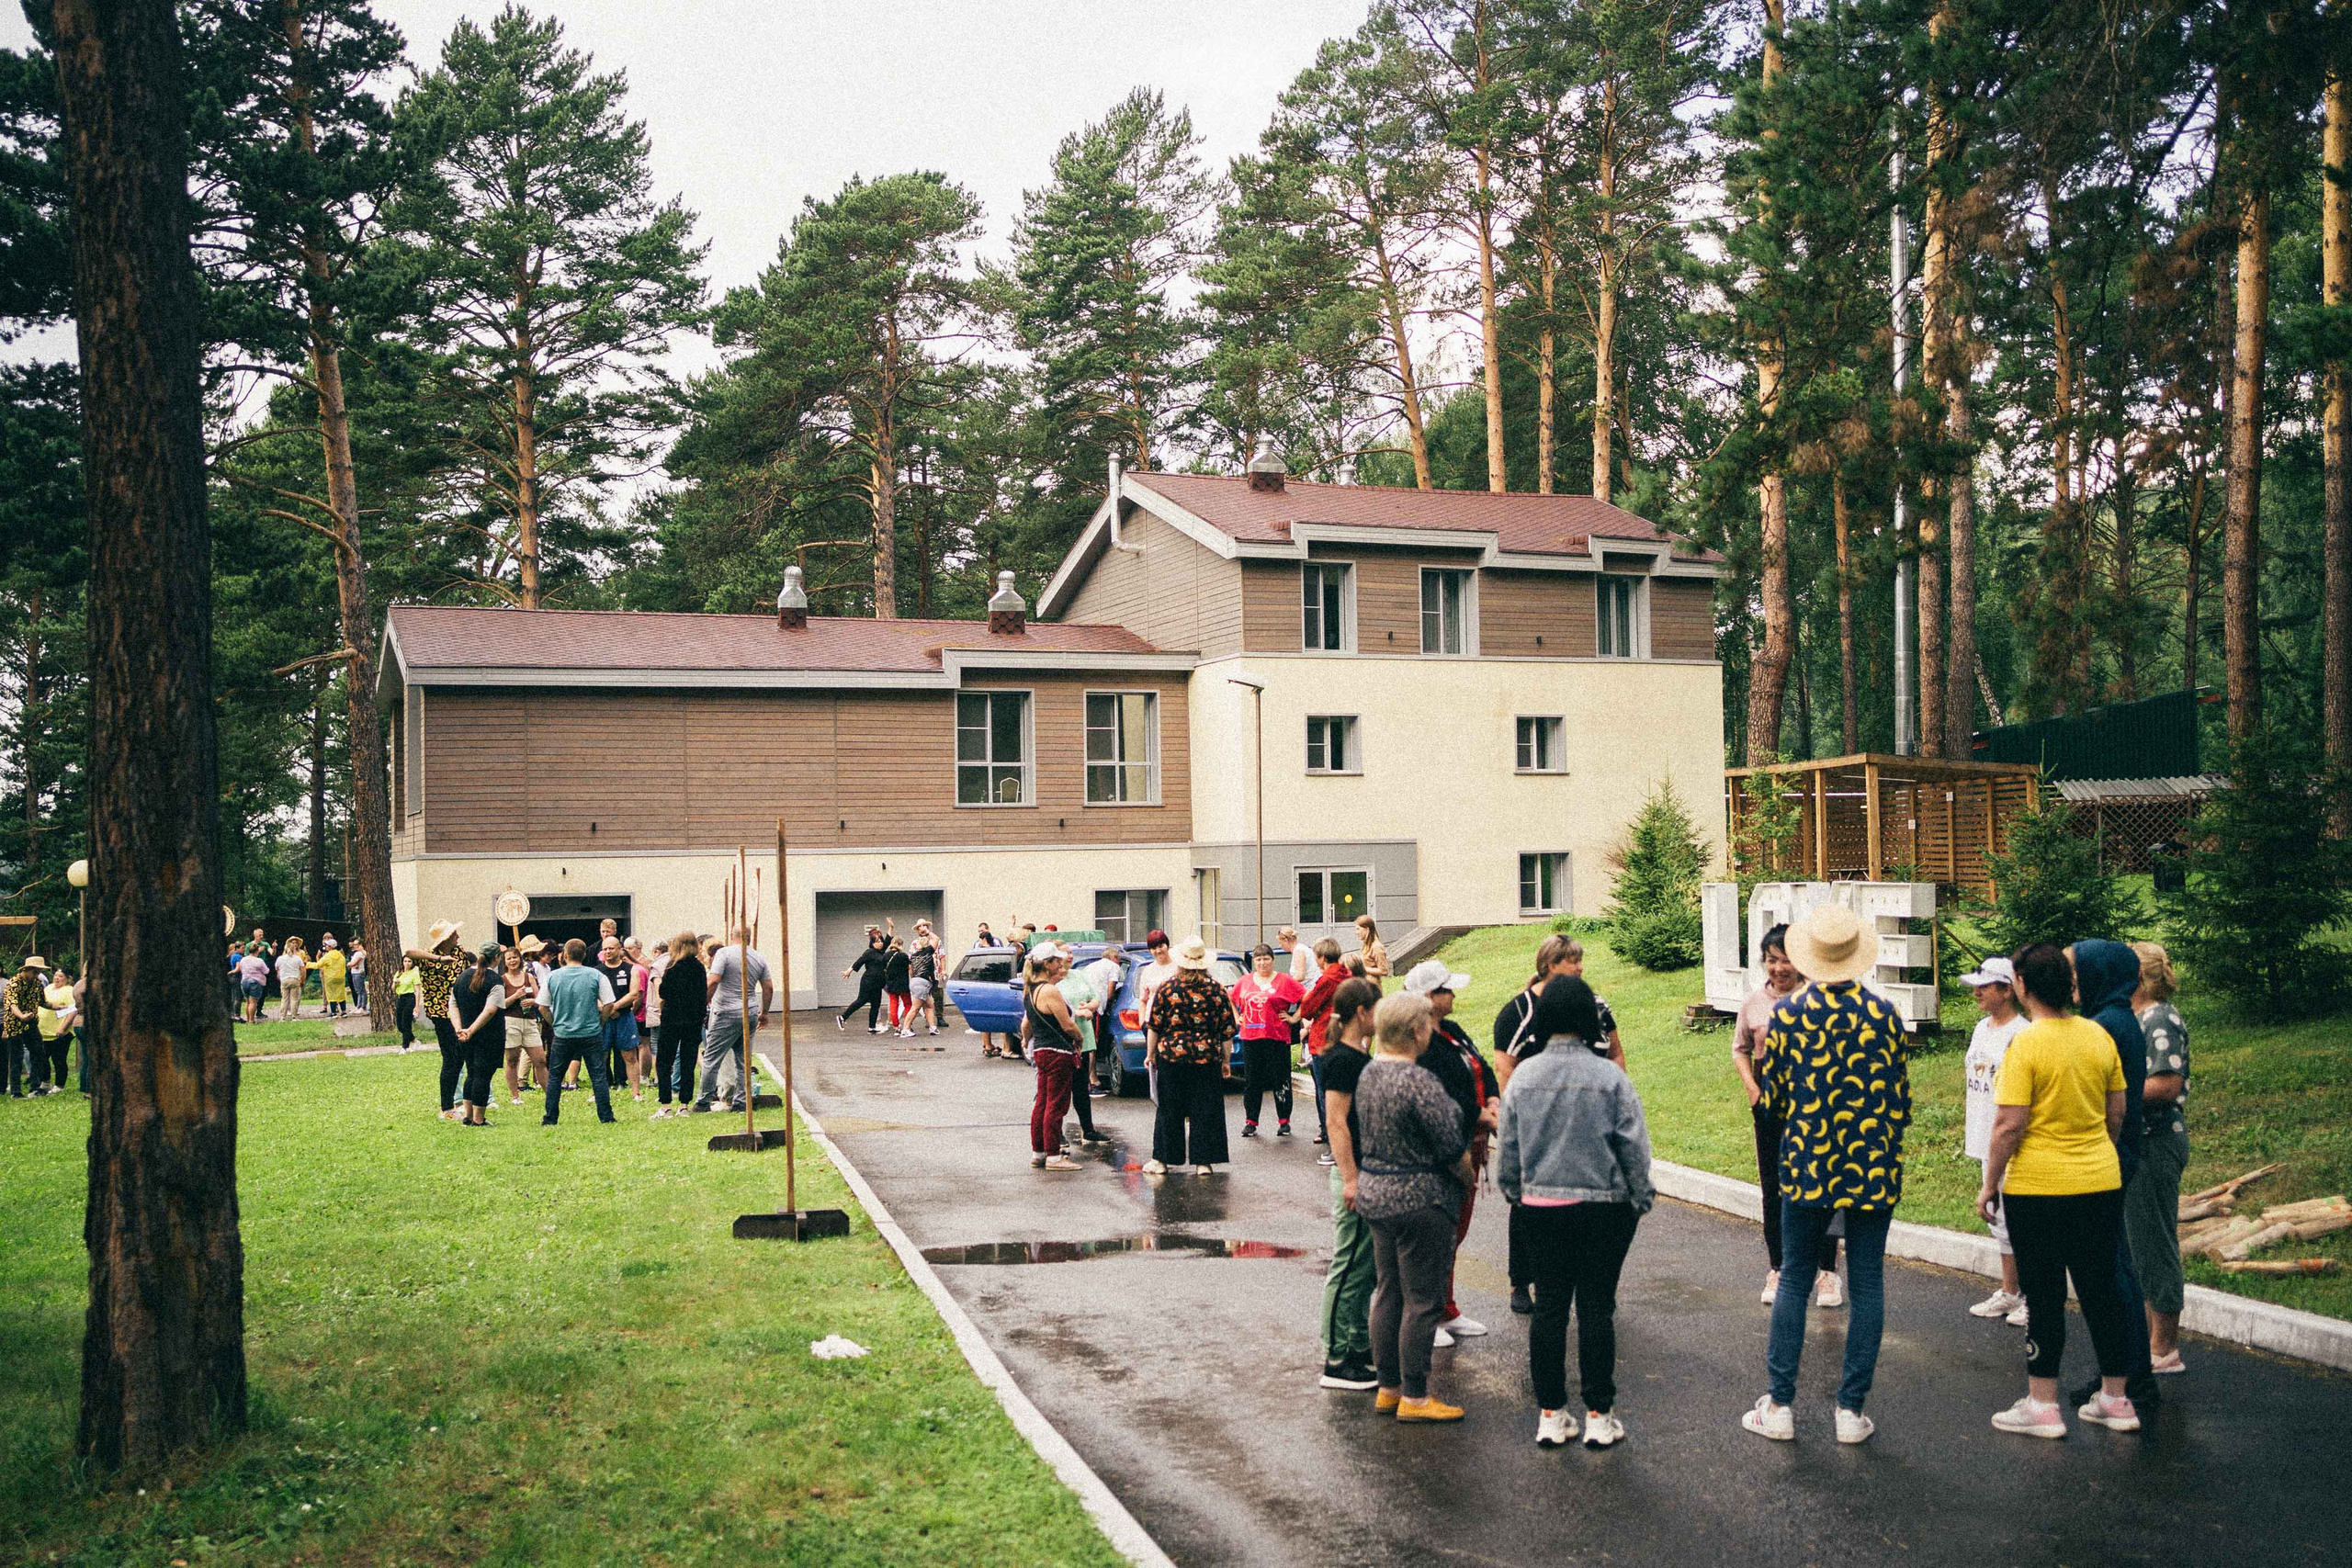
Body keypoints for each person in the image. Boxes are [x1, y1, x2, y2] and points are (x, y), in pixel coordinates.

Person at [1742, 905, 1909, 1447]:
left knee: (1794, 1276)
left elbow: (1775, 1101)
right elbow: (1900, 1103)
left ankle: (1781, 1404)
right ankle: (1850, 1410)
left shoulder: (1787, 1016)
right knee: (1867, 1283)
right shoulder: (1886, 1015)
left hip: (1809, 1165)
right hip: (1871, 1166)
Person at [1981, 942, 2142, 1438]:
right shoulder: (2098, 1036)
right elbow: (2117, 1111)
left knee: (2045, 1294)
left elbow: (2009, 1124)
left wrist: (1990, 1183)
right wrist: (2096, 1155)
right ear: (2070, 986)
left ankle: (2043, 1405)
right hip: (2098, 1181)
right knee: (2101, 1290)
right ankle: (2116, 1400)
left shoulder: (2025, 1044)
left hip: (2037, 1188)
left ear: (2022, 986)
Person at [1497, 975, 1654, 1450]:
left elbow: (1510, 1149)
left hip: (1541, 1206)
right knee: (1596, 1310)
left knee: (1549, 1311)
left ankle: (1551, 1413)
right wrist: (1640, 1196)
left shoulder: (1524, 1077)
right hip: (1604, 1208)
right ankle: (1600, 1416)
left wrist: (1515, 1192)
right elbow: (1633, 1146)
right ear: (1590, 1018)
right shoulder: (1610, 1078)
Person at [1353, 991, 1473, 1422]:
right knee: (1423, 1301)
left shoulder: (1368, 1074)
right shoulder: (1419, 1081)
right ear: (1417, 1030)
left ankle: (1388, 1388)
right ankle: (1417, 1397)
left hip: (1376, 1194)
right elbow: (1449, 1142)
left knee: (1388, 1292)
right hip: (1421, 1198)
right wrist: (1466, 1176)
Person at [1494, 934, 1623, 1313]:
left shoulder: (1596, 1005)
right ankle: (1522, 1280)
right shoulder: (1517, 1013)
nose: (1580, 967)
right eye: (1572, 961)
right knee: (1529, 1203)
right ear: (1550, 965)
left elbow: (1615, 1053)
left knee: (1587, 1204)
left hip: (1589, 1120)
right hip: (1540, 1122)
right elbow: (1506, 1071)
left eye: (1580, 960)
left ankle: (1590, 1283)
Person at [2067, 939, 2161, 1418]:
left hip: (2107, 1157)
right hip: (2118, 1155)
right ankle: (2123, 1373)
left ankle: (2130, 1381)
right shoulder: (2120, 1018)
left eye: (2079, 973)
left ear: (2101, 974)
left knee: (2112, 1275)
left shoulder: (2105, 1025)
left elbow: (2107, 1104)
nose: (2073, 983)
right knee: (2116, 1269)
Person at [1733, 924, 1843, 1309]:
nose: (1780, 968)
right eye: (1773, 960)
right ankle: (1777, 1267)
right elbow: (1740, 1049)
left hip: (1815, 1107)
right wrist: (1753, 1090)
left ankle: (1827, 1273)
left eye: (1787, 960)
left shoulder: (1819, 1000)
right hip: (1769, 1107)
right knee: (1774, 1188)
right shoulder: (1753, 1004)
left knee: (1821, 1184)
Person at [1404, 959, 1499, 1344]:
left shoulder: (1453, 1030)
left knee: (1456, 1229)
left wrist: (1492, 1097)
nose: (1454, 995)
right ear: (1430, 997)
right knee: (1437, 1232)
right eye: (1447, 989)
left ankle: (1446, 1309)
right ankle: (1425, 1316)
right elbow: (1439, 1094)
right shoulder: (1420, 1041)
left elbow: (1481, 1067)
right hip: (1444, 1148)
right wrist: (1481, 1114)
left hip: (1472, 1142)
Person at [1316, 978, 1385, 1391]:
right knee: (1347, 1267)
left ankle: (1357, 1347)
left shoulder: (1355, 1055)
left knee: (1365, 1268)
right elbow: (1335, 1122)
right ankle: (1336, 1358)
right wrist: (1352, 1178)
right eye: (1376, 1009)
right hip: (1353, 1174)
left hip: (1363, 1172)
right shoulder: (1342, 1059)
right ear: (1362, 1012)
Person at [2127, 941, 2190, 1375]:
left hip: (2157, 1143)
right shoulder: (2139, 1017)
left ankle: (2164, 1348)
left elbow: (2166, 1084)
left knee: (2155, 1243)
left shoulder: (2160, 1017)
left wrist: (2114, 1096)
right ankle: (2153, 1339)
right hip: (2139, 1144)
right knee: (2140, 1244)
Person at [1959, 955, 2031, 1324]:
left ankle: (2035, 1296)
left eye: (1985, 986)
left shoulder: (2023, 1034)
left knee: (2023, 1219)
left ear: (2007, 990)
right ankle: (2010, 1291)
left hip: (2013, 1139)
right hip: (1984, 1134)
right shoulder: (1980, 1029)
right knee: (1999, 1219)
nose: (1977, 992)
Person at [1144, 938, 1237, 1176]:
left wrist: (1150, 1054)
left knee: (1169, 1108)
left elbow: (1154, 1025)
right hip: (1206, 1058)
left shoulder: (1167, 987)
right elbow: (1226, 1030)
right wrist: (1226, 1061)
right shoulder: (1217, 989)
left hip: (1172, 1056)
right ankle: (1203, 1163)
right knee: (1206, 1108)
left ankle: (1163, 1161)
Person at [692, 925, 774, 1113]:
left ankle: (703, 1101)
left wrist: (701, 1004)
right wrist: (764, 1013)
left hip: (726, 1011)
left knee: (712, 1057)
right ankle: (741, 1101)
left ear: (732, 936)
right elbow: (768, 987)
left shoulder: (724, 954)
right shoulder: (759, 957)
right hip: (750, 1011)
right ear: (750, 938)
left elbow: (713, 981)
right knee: (743, 1059)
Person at [1019, 943, 1085, 1170]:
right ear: (1047, 964)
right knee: (1056, 1105)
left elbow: (1026, 1023)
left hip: (1041, 1051)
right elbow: (1067, 1025)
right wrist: (1079, 1038)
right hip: (1058, 1052)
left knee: (1042, 1103)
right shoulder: (1049, 990)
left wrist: (1025, 1040)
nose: (1060, 963)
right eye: (1056, 960)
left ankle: (1039, 1153)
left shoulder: (1030, 990)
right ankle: (1055, 1156)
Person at [540, 938, 619, 1125]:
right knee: (598, 1075)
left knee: (555, 1077)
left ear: (564, 955)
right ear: (584, 955)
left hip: (563, 1033)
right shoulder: (596, 975)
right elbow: (609, 1003)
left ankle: (550, 1118)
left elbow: (543, 1006)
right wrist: (601, 1022)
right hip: (590, 1032)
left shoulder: (552, 977)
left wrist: (555, 1024)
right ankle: (606, 1116)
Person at [1231, 944, 1304, 1137]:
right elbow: (1231, 998)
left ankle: (1284, 1120)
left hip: (1276, 1036)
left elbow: (1307, 998)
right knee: (1252, 1080)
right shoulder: (1245, 981)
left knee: (1280, 1079)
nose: (1262, 963)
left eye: (1266, 959)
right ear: (1254, 961)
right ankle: (1251, 1121)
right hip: (1251, 1037)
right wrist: (1236, 1016)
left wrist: (1294, 1018)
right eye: (1258, 959)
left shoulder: (1284, 981)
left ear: (1272, 960)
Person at [404, 922, 471, 1116]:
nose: (458, 936)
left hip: (460, 1012)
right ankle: (446, 1107)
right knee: (451, 1058)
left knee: (459, 1059)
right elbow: (409, 952)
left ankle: (453, 1102)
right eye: (454, 934)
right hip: (441, 1015)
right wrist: (439, 958)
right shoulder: (427, 957)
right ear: (445, 938)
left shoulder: (460, 953)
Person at [1296, 937, 1351, 1157]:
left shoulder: (1327, 979)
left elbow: (1308, 1007)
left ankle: (1333, 1142)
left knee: (1325, 1092)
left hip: (1322, 1038)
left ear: (1321, 957)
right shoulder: (1348, 975)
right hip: (1343, 1036)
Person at [449, 943, 505, 1126]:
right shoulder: (495, 980)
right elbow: (490, 1011)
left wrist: (460, 1029)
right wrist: (472, 1030)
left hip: (464, 1036)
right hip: (488, 1036)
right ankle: (479, 1120)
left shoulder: (462, 977)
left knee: (471, 1073)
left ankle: (468, 1116)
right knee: (483, 1075)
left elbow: (453, 1004)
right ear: (496, 957)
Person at [1056, 947, 1106, 1145]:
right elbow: (1057, 1011)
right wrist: (1078, 1012)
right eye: (1066, 953)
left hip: (1083, 1039)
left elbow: (1095, 998)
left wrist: (1090, 1006)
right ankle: (1056, 1133)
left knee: (1081, 1089)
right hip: (1065, 1041)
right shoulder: (1054, 982)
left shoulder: (1079, 974)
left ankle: (1088, 1130)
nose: (1070, 956)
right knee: (1060, 1091)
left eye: (1070, 952)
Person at [653, 932, 707, 1116]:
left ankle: (665, 1105)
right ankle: (684, 1104)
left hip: (672, 1019)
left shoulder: (672, 967)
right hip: (692, 1020)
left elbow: (663, 992)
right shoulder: (699, 968)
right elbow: (702, 994)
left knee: (664, 1060)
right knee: (688, 1061)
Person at [595, 937, 645, 1100]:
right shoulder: (597, 972)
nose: (608, 952)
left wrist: (614, 1007)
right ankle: (599, 1093)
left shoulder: (631, 969)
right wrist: (606, 1009)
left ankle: (636, 1092)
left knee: (630, 1055)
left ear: (619, 949)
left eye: (611, 948)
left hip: (624, 1017)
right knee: (600, 1056)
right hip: (603, 1018)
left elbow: (634, 994)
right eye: (605, 949)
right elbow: (593, 995)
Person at [495, 945, 545, 1107]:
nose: (512, 961)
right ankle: (515, 1095)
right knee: (512, 1060)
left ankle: (550, 1093)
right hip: (511, 1021)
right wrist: (515, 996)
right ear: (504, 961)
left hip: (530, 1021)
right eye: (509, 958)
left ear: (520, 958)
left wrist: (532, 1001)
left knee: (540, 1059)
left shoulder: (529, 977)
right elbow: (499, 1004)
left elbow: (540, 999)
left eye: (515, 957)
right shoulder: (501, 980)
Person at [1080, 942, 1127, 1096]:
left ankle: (1089, 1077)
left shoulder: (1091, 967)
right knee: (1092, 1043)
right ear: (1113, 957)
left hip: (1083, 1006)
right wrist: (1108, 1004)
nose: (1119, 962)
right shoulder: (1113, 967)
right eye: (1118, 959)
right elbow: (1111, 989)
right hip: (1096, 1008)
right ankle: (1092, 1079)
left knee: (1087, 1041)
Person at [5, 954, 47, 1097]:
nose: (37, 975)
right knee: (16, 1057)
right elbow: (12, 1005)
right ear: (26, 969)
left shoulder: (37, 984)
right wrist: (21, 1016)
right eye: (35, 972)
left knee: (38, 1053)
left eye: (39, 972)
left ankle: (35, 1087)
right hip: (14, 1024)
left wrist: (58, 1007)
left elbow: (43, 1002)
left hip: (31, 1023)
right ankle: (16, 1091)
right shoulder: (13, 983)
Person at [838, 927, 888, 1034]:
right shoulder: (869, 952)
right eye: (877, 941)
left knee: (876, 1004)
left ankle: (872, 1027)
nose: (880, 943)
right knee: (861, 1001)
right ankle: (842, 1017)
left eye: (881, 941)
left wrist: (891, 928)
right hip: (868, 982)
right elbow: (859, 962)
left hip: (878, 983)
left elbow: (888, 941)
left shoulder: (882, 952)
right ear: (873, 943)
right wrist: (848, 971)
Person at [41, 966, 77, 1096]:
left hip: (59, 1032)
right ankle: (45, 1082)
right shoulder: (48, 988)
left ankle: (59, 1085)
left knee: (59, 1059)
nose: (57, 978)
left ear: (68, 979)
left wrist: (63, 1028)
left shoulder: (69, 991)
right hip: (43, 1031)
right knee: (42, 1058)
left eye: (60, 976)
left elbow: (73, 1010)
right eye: (56, 975)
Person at [905, 923, 941, 1037]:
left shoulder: (914, 955)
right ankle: (905, 1029)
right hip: (923, 982)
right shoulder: (928, 952)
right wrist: (926, 931)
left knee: (930, 1004)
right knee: (915, 1008)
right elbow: (936, 938)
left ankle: (932, 1027)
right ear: (927, 945)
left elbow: (910, 969)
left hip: (915, 981)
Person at [882, 935, 912, 1033]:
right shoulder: (903, 956)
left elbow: (883, 969)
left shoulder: (886, 956)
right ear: (900, 945)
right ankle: (907, 1025)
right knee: (908, 1004)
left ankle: (896, 1026)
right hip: (903, 984)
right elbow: (909, 968)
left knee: (893, 1004)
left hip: (891, 984)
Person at [275, 936, 309, 1021]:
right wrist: (302, 980)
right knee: (294, 999)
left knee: (284, 999)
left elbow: (277, 970)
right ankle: (294, 1016)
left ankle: (282, 1017)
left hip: (284, 980)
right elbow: (303, 971)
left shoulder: (280, 958)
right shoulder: (297, 958)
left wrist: (280, 978)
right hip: (295, 979)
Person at [236, 942, 270, 1024]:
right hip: (255, 982)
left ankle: (248, 1019)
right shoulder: (259, 960)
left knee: (247, 1002)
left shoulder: (243, 959)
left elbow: (241, 968)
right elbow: (266, 971)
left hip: (244, 981)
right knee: (253, 1002)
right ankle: (251, 1020)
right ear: (257, 952)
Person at [316, 934, 349, 1018]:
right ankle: (344, 1011)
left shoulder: (328, 955)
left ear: (330, 947)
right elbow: (343, 962)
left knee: (331, 994)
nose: (325, 946)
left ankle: (333, 1012)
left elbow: (318, 964)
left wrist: (308, 964)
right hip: (340, 976)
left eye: (327, 945)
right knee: (341, 994)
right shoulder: (340, 955)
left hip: (330, 976)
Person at [1353, 915, 1390, 988]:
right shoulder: (1366, 945)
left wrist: (1363, 969)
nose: (1356, 932)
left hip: (1373, 987)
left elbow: (1384, 971)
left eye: (1358, 929)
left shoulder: (1376, 947)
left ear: (1367, 929)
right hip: (1365, 985)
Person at [392, 954, 419, 1050]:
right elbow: (393, 988)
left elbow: (417, 991)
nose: (407, 963)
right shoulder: (399, 973)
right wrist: (395, 983)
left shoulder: (414, 974)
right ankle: (414, 1040)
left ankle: (405, 1047)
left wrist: (417, 1006)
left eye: (409, 961)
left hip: (410, 998)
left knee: (406, 1023)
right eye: (405, 961)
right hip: (401, 997)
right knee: (399, 1025)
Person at [347, 940, 368, 1011]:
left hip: (359, 972)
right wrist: (350, 964)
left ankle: (363, 1006)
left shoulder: (360, 953)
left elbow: (353, 963)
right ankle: (358, 1005)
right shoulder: (356, 953)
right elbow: (351, 963)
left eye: (356, 945)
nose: (354, 946)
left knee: (361, 990)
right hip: (354, 972)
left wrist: (350, 964)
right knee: (357, 990)